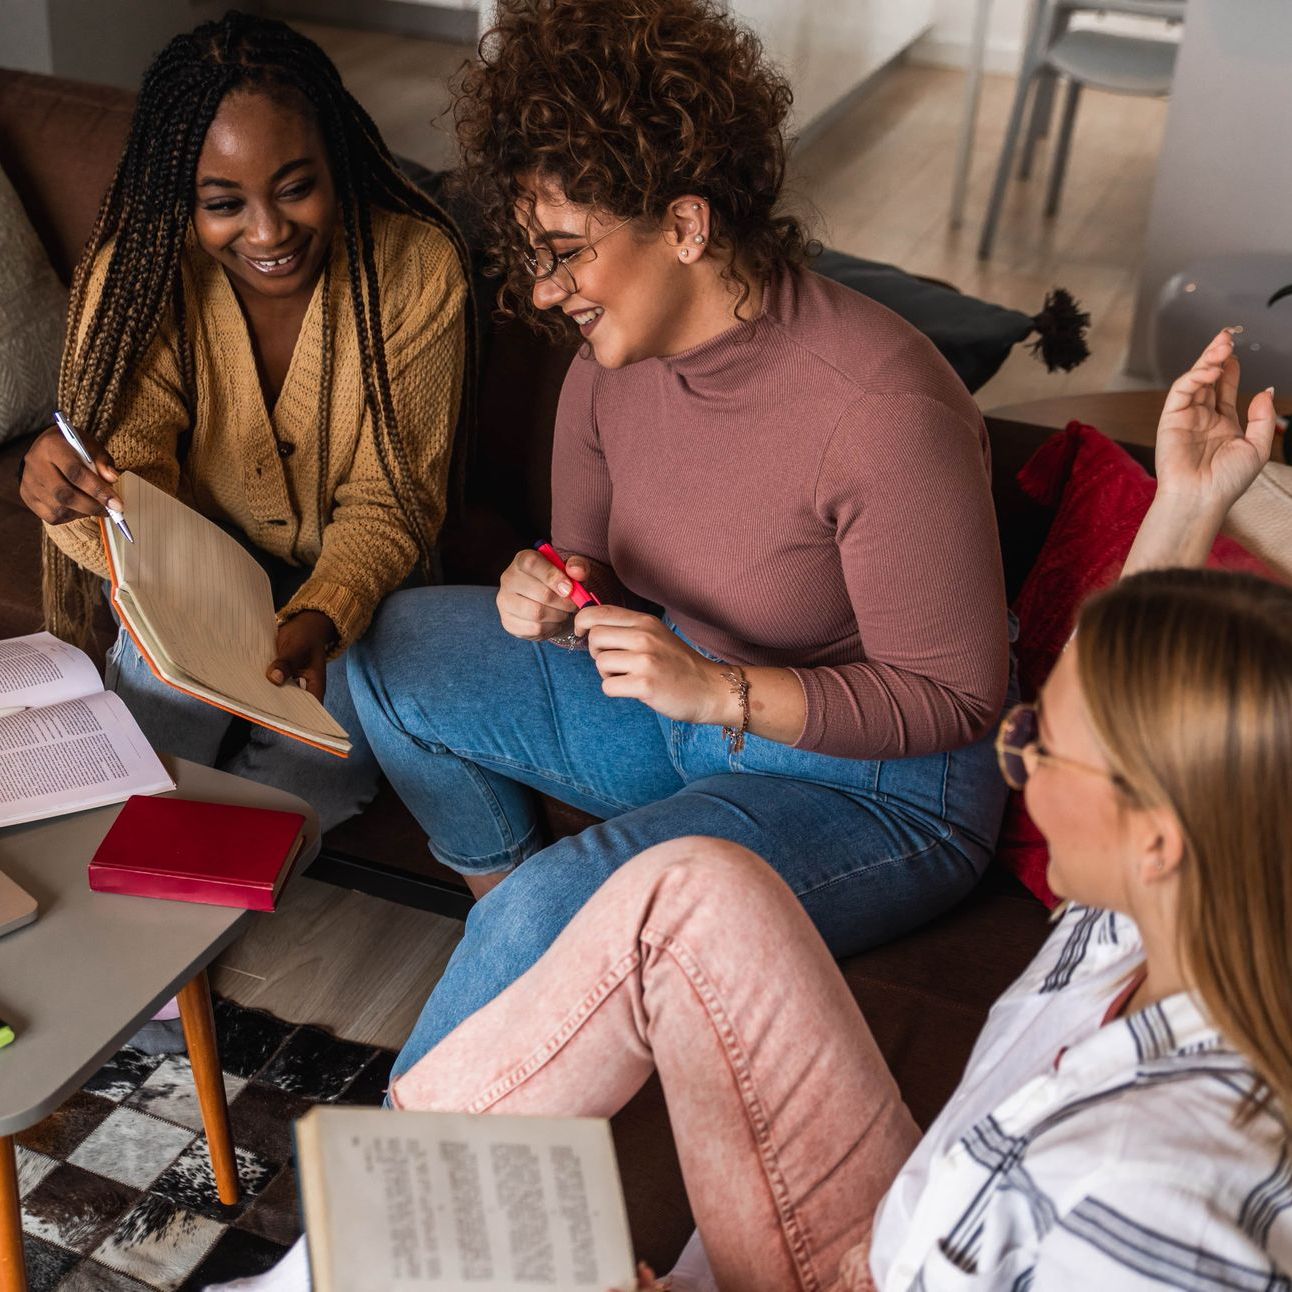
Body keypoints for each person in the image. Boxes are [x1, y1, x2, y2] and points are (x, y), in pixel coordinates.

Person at [213, 330, 1285, 1292]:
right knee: (688, 890)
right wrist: (1185, 503)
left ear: (1157, 834)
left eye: (1043, 749)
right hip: (916, 1223)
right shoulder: (1167, 917)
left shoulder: (1152, 1194)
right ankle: (363, 1240)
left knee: (597, 906)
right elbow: (1122, 701)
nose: (1020, 766)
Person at [347, 0, 1015, 1077]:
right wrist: (554, 594)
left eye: (565, 251)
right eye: (531, 254)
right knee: (398, 647)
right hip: (679, 717)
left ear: (687, 226)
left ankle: (373, 1217)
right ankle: (530, 962)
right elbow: (595, 583)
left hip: (874, 786)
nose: (540, 288)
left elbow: (951, 697)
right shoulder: (605, 369)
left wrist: (720, 692)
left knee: (571, 907)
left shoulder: (883, 408)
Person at [20, 10, 469, 838]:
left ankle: (203, 893)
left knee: (309, 790)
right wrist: (80, 498)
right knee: (141, 773)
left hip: (353, 587)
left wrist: (322, 615)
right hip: (193, 585)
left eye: (297, 187)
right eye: (223, 203)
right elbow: (130, 497)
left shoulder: (415, 269)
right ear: (180, 201)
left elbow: (392, 499)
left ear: (336, 160)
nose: (268, 233)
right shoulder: (140, 279)